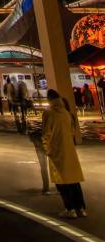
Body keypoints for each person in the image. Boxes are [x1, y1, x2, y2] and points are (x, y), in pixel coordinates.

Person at [41, 89, 86, 219]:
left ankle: (69, 208)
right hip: (70, 151)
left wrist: (47, 150)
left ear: (49, 100)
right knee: (74, 181)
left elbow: (45, 134)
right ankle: (81, 208)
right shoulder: (67, 113)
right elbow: (72, 133)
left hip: (56, 151)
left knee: (62, 182)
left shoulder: (48, 114)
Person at [28, 121, 52, 195]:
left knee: (44, 167)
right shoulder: (50, 113)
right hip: (46, 141)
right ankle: (53, 188)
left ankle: (46, 189)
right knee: (53, 166)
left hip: (39, 140)